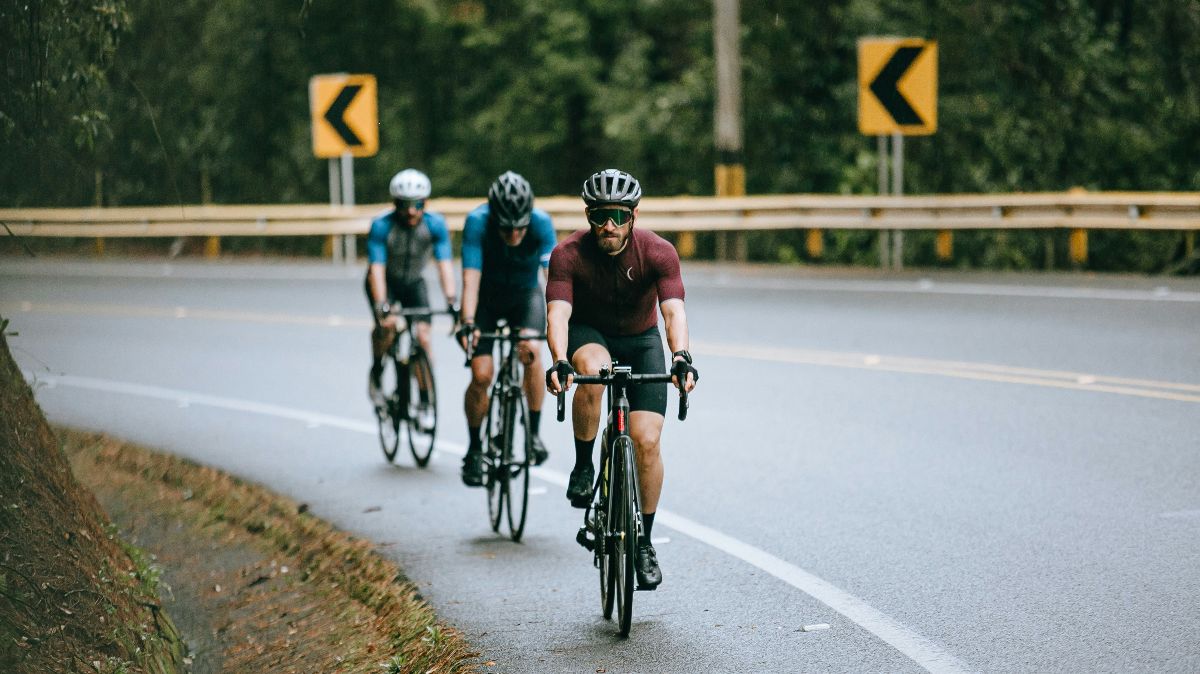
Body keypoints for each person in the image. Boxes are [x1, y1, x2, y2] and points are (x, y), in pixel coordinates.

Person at [544, 168, 698, 590]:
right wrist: (560, 360)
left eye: (616, 215)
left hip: (641, 339)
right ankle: (583, 466)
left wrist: (681, 357)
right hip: (589, 335)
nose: (607, 225)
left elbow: (673, 311)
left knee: (646, 440)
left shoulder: (658, 252)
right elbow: (558, 314)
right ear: (588, 216)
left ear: (633, 216)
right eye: (599, 215)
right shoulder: (567, 254)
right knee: (595, 371)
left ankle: (644, 543)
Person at [458, 171, 557, 487]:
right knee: (481, 375)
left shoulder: (541, 223)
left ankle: (534, 435)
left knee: (531, 350)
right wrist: (468, 322)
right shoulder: (477, 222)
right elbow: (470, 279)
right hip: (486, 300)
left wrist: (562, 322)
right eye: (506, 227)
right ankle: (474, 448)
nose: (514, 233)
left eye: (520, 227)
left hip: (524, 297)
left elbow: (553, 280)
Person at [365, 169, 457, 424]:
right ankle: (377, 369)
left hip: (414, 283)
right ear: (395, 204)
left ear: (425, 203)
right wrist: (382, 304)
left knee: (423, 338)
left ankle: (426, 401)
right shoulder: (381, 226)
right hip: (386, 282)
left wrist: (452, 300)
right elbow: (376, 269)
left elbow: (444, 265)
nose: (411, 211)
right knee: (387, 325)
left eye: (417, 204)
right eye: (404, 205)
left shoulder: (435, 225)